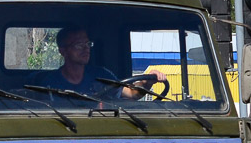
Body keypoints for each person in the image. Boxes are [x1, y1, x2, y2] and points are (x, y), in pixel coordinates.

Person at [38, 26, 167, 99]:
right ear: (63, 51)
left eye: (87, 44)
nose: (86, 48)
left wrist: (147, 82)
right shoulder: (49, 83)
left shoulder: (102, 76)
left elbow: (132, 93)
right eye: (79, 45)